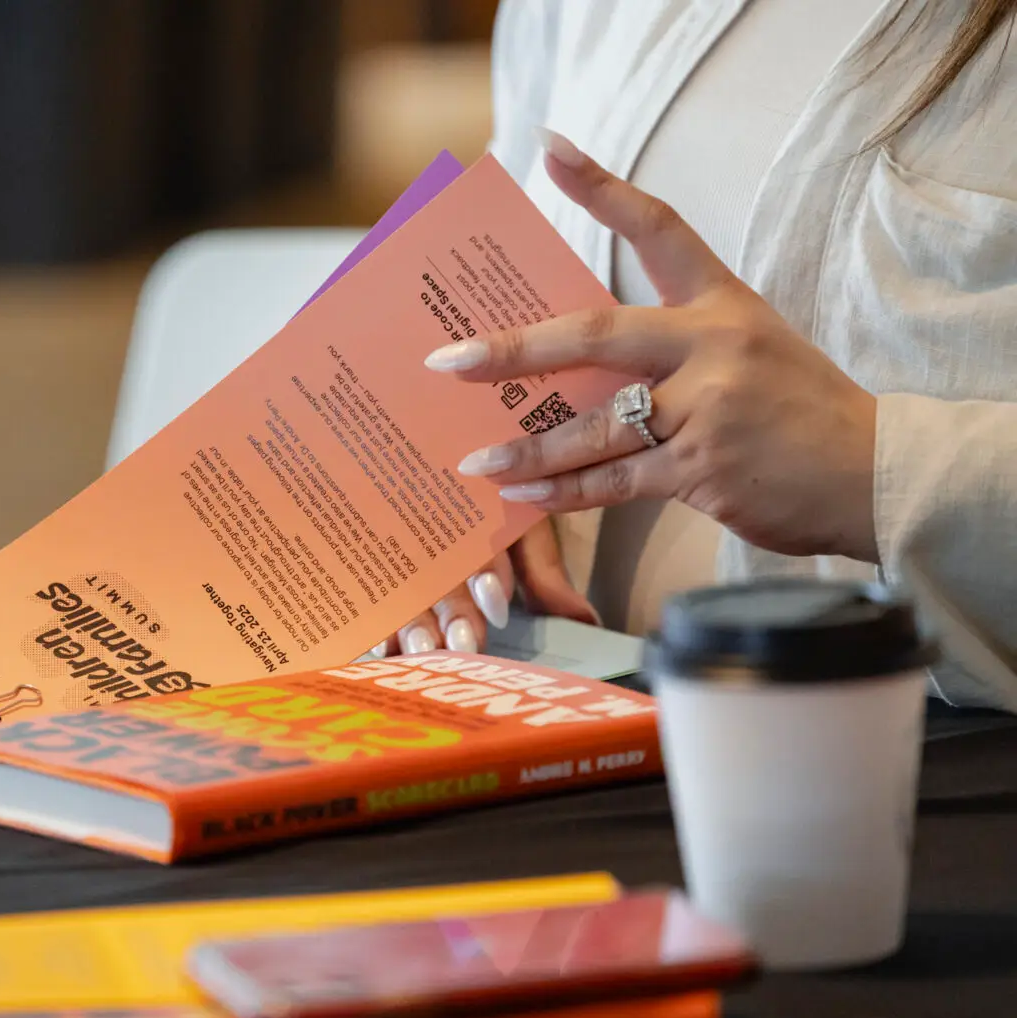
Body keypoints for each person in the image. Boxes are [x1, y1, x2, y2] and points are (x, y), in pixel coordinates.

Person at [377, 0, 1017, 710]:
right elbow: (486, 282)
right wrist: (443, 490)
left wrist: (874, 466)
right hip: (525, 713)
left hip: (919, 767)